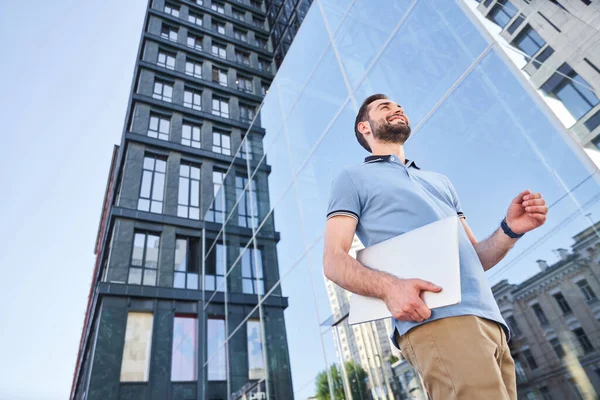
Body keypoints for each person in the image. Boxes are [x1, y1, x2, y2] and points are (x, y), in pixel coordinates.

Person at [323, 94, 548, 400]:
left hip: (491, 321)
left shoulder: (440, 181)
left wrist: (510, 229)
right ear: (365, 127)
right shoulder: (351, 178)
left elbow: (476, 257)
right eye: (384, 108)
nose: (397, 108)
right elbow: (334, 259)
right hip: (435, 319)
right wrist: (390, 288)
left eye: (399, 105)